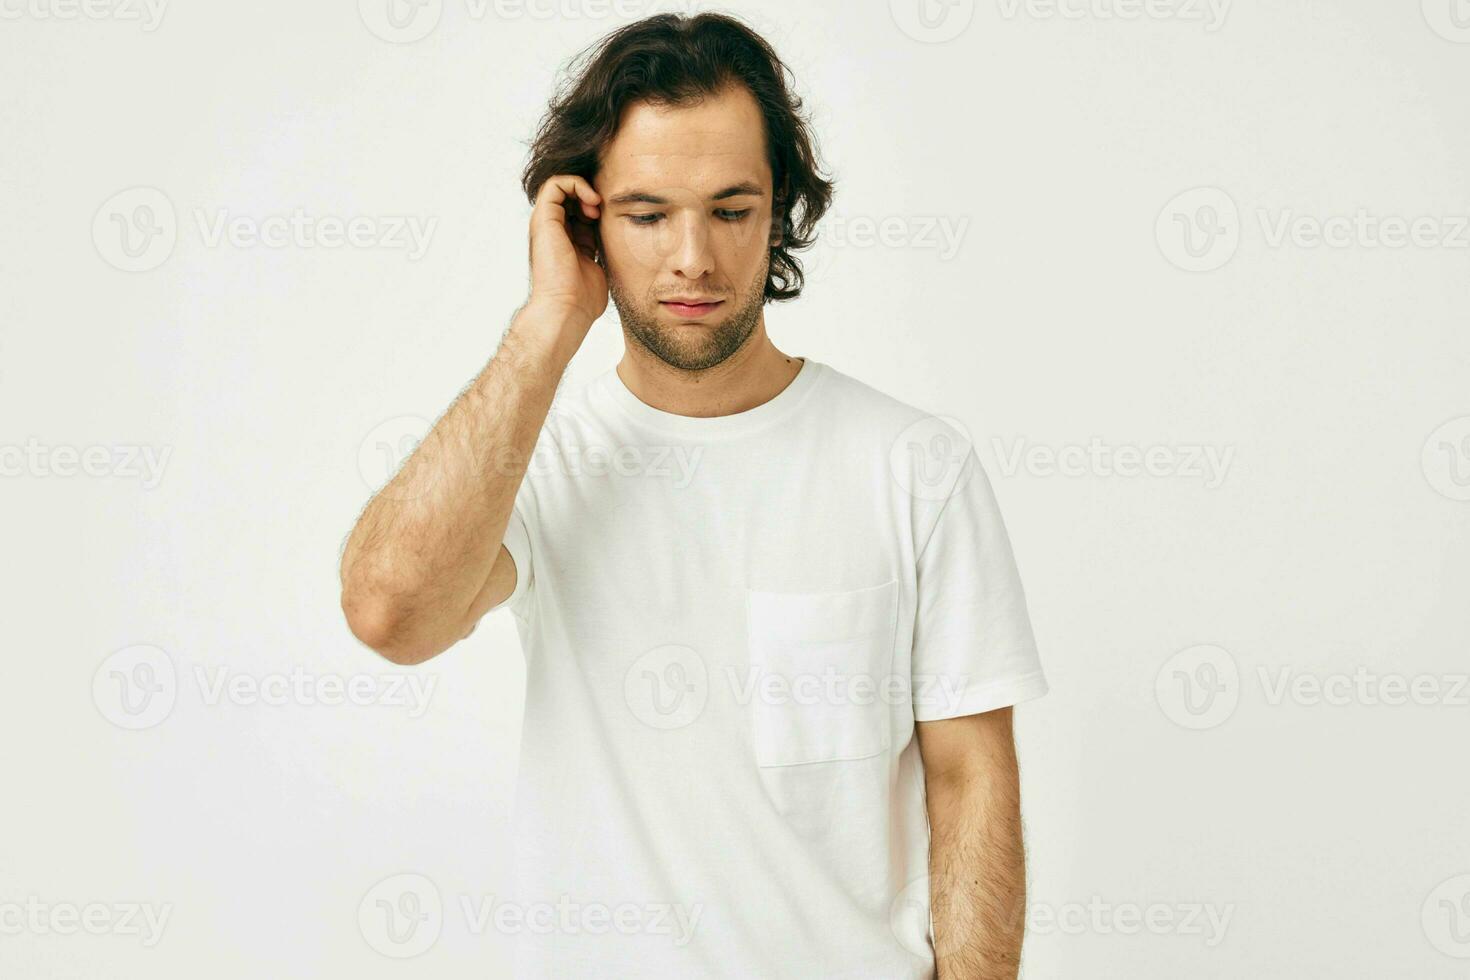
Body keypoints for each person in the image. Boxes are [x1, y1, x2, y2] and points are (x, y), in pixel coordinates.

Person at [339, 12, 1048, 979]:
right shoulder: (536, 459)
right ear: (587, 220)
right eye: (646, 214)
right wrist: (550, 321)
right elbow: (390, 615)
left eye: (730, 208)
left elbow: (971, 779)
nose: (693, 260)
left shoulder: (914, 465)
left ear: (778, 211)